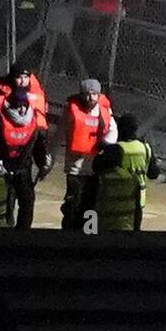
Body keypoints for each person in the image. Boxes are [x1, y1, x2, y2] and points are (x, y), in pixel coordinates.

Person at [0, 88, 48, 230]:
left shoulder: (32, 120)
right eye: (18, 106)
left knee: (27, 201)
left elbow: (38, 145)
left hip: (23, 167)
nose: (22, 110)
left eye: (25, 106)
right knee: (6, 202)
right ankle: (6, 231)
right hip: (2, 166)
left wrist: (42, 165)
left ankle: (22, 232)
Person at [60, 78, 115, 230]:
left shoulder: (104, 110)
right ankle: (68, 235)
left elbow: (113, 130)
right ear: (81, 95)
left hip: (94, 168)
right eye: (87, 94)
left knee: (91, 206)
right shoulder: (70, 110)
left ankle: (89, 234)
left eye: (94, 94)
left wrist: (105, 145)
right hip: (75, 168)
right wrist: (48, 160)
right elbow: (58, 135)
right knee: (73, 204)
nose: (91, 98)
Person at [91, 113, 161, 232]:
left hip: (116, 200)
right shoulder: (145, 148)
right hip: (138, 200)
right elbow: (153, 174)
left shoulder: (116, 149)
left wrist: (102, 149)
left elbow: (96, 167)